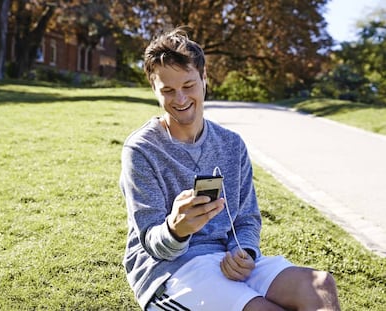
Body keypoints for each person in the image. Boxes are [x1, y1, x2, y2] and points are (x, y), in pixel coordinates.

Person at [119, 27, 341, 311]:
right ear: (154, 90)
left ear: (204, 79)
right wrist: (177, 229)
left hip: (227, 258)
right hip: (169, 269)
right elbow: (152, 243)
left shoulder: (231, 144)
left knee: (320, 286)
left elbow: (247, 218)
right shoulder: (141, 150)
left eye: (188, 86)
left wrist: (244, 251)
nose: (180, 99)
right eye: (168, 90)